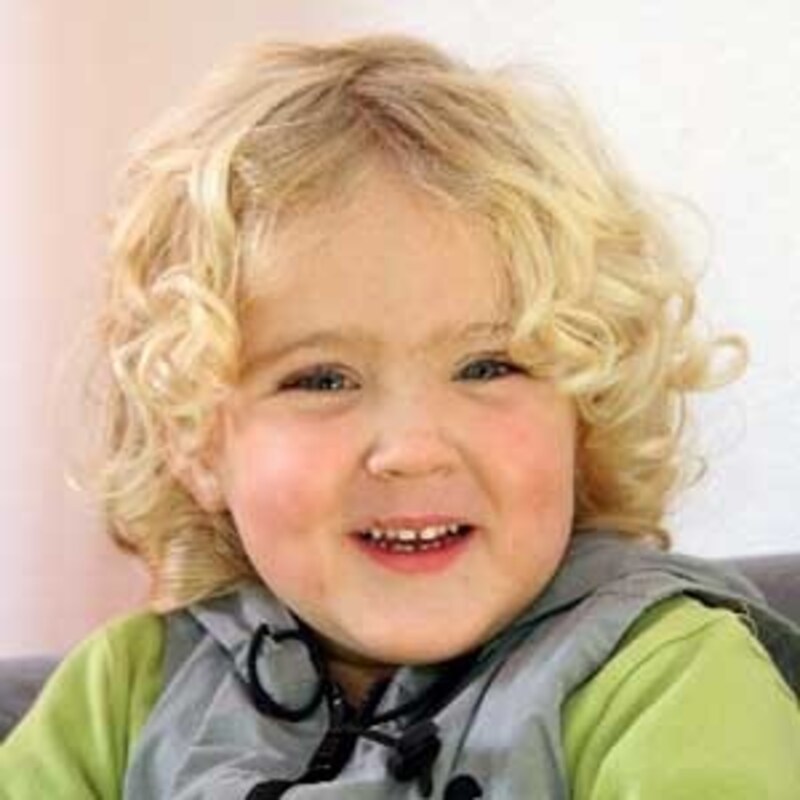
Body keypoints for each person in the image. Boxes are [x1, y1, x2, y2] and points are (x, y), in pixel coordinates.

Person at [1, 33, 798, 799]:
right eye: (323, 380)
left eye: (487, 367)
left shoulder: (664, 677)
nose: (414, 450)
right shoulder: (125, 694)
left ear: (585, 412)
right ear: (199, 442)